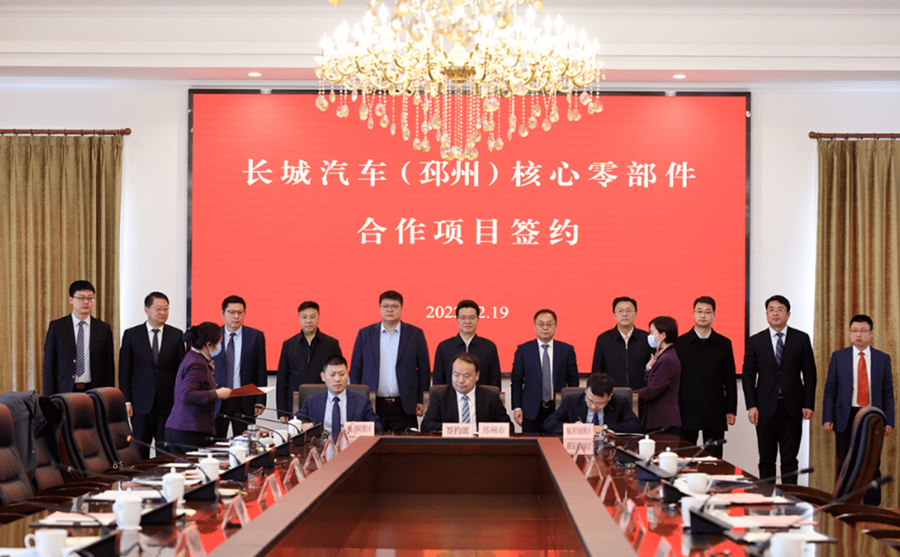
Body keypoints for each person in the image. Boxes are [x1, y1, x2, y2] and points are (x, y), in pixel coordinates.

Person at [742, 295, 816, 484]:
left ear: (788, 314)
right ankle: (767, 499)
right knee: (766, 460)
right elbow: (748, 376)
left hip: (792, 408)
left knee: (790, 460)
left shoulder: (801, 339)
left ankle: (789, 499)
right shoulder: (756, 341)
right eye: (771, 310)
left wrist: (808, 404)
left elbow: (810, 374)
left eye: (780, 309)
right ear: (766, 314)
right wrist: (751, 406)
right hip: (764, 409)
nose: (776, 313)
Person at [823, 314, 894, 505]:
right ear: (849, 333)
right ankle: (843, 506)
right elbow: (830, 390)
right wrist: (828, 417)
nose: (858, 335)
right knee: (845, 463)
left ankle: (871, 508)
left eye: (863, 331)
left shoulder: (882, 358)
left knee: (872, 464)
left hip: (872, 416)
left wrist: (889, 420)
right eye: (855, 331)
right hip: (845, 416)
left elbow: (888, 392)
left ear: (871, 333)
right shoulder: (839, 357)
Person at [350, 290, 430, 432]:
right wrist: (356, 400)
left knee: (406, 443)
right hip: (373, 404)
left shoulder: (415, 334)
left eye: (394, 306)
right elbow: (356, 369)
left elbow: (424, 369)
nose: (390, 310)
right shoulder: (365, 334)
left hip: (405, 404)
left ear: (401, 308)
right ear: (379, 308)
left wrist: (421, 399)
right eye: (385, 306)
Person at [119, 292, 186, 460]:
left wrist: (180, 402)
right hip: (140, 403)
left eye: (166, 309)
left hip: (167, 404)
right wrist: (126, 400)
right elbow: (125, 370)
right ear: (146, 309)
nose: (162, 312)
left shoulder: (176, 335)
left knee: (165, 450)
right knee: (140, 449)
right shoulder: (131, 335)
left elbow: (181, 373)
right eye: (158, 308)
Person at [675, 296, 737, 459]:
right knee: (685, 457)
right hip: (686, 408)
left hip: (715, 408)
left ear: (714, 315)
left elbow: (730, 379)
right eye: (699, 311)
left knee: (714, 458)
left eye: (708, 312)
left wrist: (731, 409)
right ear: (693, 314)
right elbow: (675, 380)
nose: (703, 315)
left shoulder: (724, 343)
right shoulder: (680, 343)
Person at [165, 323, 232, 453]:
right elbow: (187, 394)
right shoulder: (197, 363)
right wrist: (217, 394)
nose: (220, 346)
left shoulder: (193, 356)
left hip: (181, 427)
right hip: (189, 430)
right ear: (208, 344)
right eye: (219, 342)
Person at [511, 309, 579, 433]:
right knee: (531, 444)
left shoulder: (566, 350)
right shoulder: (523, 350)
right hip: (531, 410)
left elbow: (573, 382)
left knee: (558, 444)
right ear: (534, 327)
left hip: (559, 409)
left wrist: (573, 407)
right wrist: (517, 407)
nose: (545, 328)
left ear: (556, 327)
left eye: (549, 324)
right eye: (541, 324)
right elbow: (516, 381)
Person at [42, 280, 115, 395]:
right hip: (65, 390)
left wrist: (109, 395)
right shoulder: (57, 327)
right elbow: (49, 365)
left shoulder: (103, 328)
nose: (86, 302)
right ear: (71, 300)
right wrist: (49, 398)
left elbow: (109, 367)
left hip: (95, 390)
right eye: (81, 298)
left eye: (90, 298)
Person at [276, 301, 342, 422]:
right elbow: (282, 380)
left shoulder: (331, 344)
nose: (308, 321)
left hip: (325, 401)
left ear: (318, 318)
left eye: (312, 316)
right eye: (304, 317)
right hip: (296, 403)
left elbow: (339, 376)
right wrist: (282, 411)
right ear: (299, 318)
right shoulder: (288, 345)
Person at [212, 296, 267, 438]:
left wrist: (260, 400)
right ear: (222, 313)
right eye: (231, 312)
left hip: (244, 399)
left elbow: (261, 369)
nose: (236, 316)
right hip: (218, 398)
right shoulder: (212, 335)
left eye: (240, 312)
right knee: (216, 442)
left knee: (245, 442)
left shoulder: (256, 336)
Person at [295, 355, 382, 440]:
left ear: (348, 375)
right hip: (321, 446)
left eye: (342, 374)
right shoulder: (311, 401)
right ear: (323, 376)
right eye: (332, 375)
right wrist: (303, 424)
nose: (337, 379)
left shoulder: (362, 401)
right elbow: (296, 421)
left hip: (351, 445)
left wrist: (358, 428)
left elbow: (377, 427)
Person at [421, 353, 510, 432]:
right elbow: (426, 426)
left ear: (477, 375)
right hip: (451, 444)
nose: (460, 380)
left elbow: (508, 426)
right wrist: (456, 428)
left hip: (481, 443)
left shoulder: (491, 397)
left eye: (466, 376)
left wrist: (485, 430)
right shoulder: (440, 396)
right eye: (456, 375)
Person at [432, 300, 501, 388]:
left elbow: (495, 382)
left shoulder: (489, 347)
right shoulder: (444, 347)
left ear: (478, 319)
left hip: (481, 396)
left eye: (472, 317)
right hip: (451, 396)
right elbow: (438, 383)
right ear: (457, 320)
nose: (467, 321)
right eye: (463, 317)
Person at [543, 373, 641, 435]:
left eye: (600, 403)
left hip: (608, 449)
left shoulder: (619, 402)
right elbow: (549, 424)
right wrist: (573, 428)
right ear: (586, 392)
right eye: (590, 401)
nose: (594, 407)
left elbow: (635, 425)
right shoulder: (572, 401)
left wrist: (604, 428)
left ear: (610, 397)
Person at [591, 297, 652, 390]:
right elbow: (597, 371)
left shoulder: (646, 338)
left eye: (628, 310)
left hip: (642, 393)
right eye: (620, 311)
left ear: (635, 313)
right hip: (611, 393)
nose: (624, 314)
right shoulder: (604, 339)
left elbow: (654, 368)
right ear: (614, 314)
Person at [635, 316, 681, 435]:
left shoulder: (667, 359)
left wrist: (630, 396)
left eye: (652, 332)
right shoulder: (661, 356)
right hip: (658, 420)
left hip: (663, 420)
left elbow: (653, 390)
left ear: (663, 335)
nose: (649, 336)